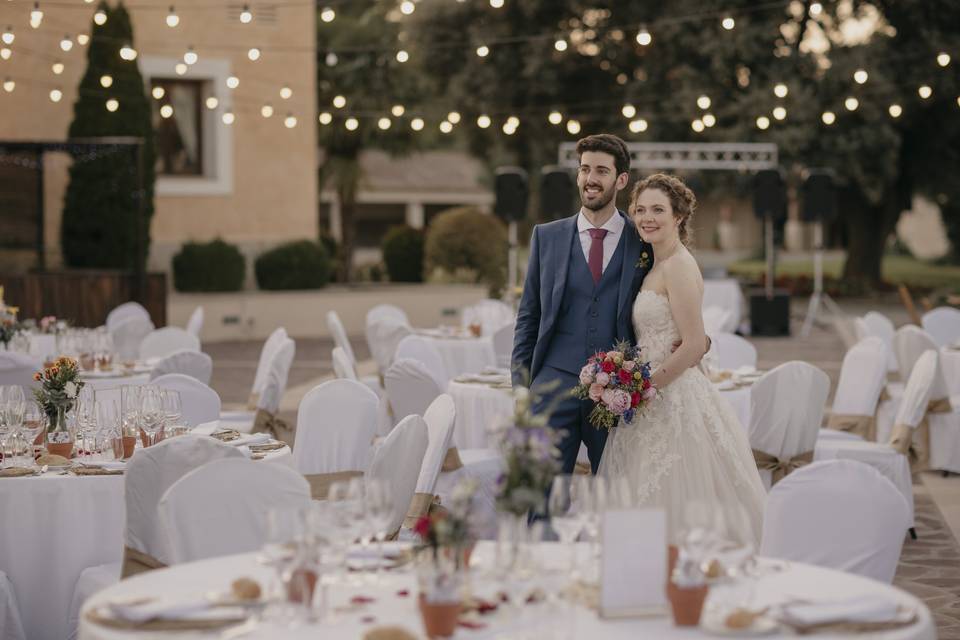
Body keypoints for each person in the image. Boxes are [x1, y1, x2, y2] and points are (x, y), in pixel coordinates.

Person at [513, 134, 710, 475]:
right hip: (552, 386)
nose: (591, 179)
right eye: (584, 169)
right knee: (541, 497)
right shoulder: (547, 237)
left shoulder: (645, 239)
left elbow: (678, 300)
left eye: (601, 171)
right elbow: (528, 317)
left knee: (617, 495)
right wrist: (520, 386)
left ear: (620, 180)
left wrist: (701, 343)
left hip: (619, 393)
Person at [596, 173, 765, 547]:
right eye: (640, 210)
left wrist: (641, 388)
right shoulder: (654, 263)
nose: (647, 217)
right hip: (650, 397)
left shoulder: (679, 267)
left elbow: (691, 345)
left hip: (670, 397)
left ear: (679, 217)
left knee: (677, 497)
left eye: (658, 209)